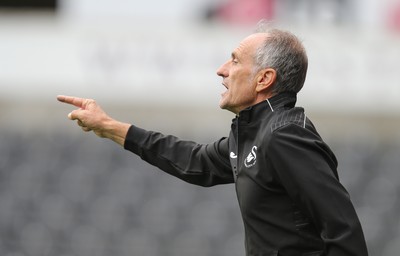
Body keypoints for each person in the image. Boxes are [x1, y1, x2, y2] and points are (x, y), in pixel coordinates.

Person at [57, 23, 368, 255]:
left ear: (264, 79)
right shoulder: (253, 131)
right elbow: (194, 161)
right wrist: (110, 126)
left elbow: (344, 233)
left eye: (234, 61)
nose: (222, 70)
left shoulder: (284, 135)